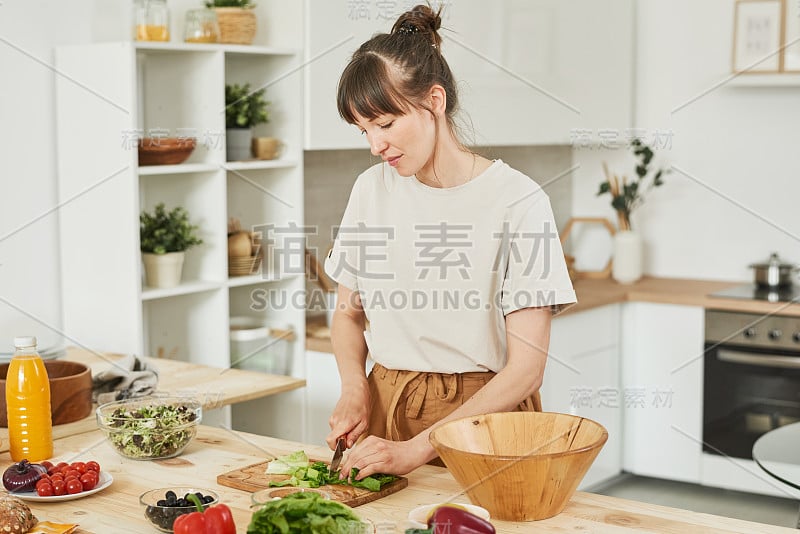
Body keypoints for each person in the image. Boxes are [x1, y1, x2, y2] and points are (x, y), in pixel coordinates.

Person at [323, 4, 576, 479]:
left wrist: (418, 449)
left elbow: (526, 370)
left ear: (434, 101)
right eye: (364, 130)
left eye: (385, 123)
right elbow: (347, 312)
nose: (375, 145)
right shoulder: (370, 190)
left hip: (486, 421)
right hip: (387, 404)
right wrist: (354, 388)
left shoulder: (518, 201)